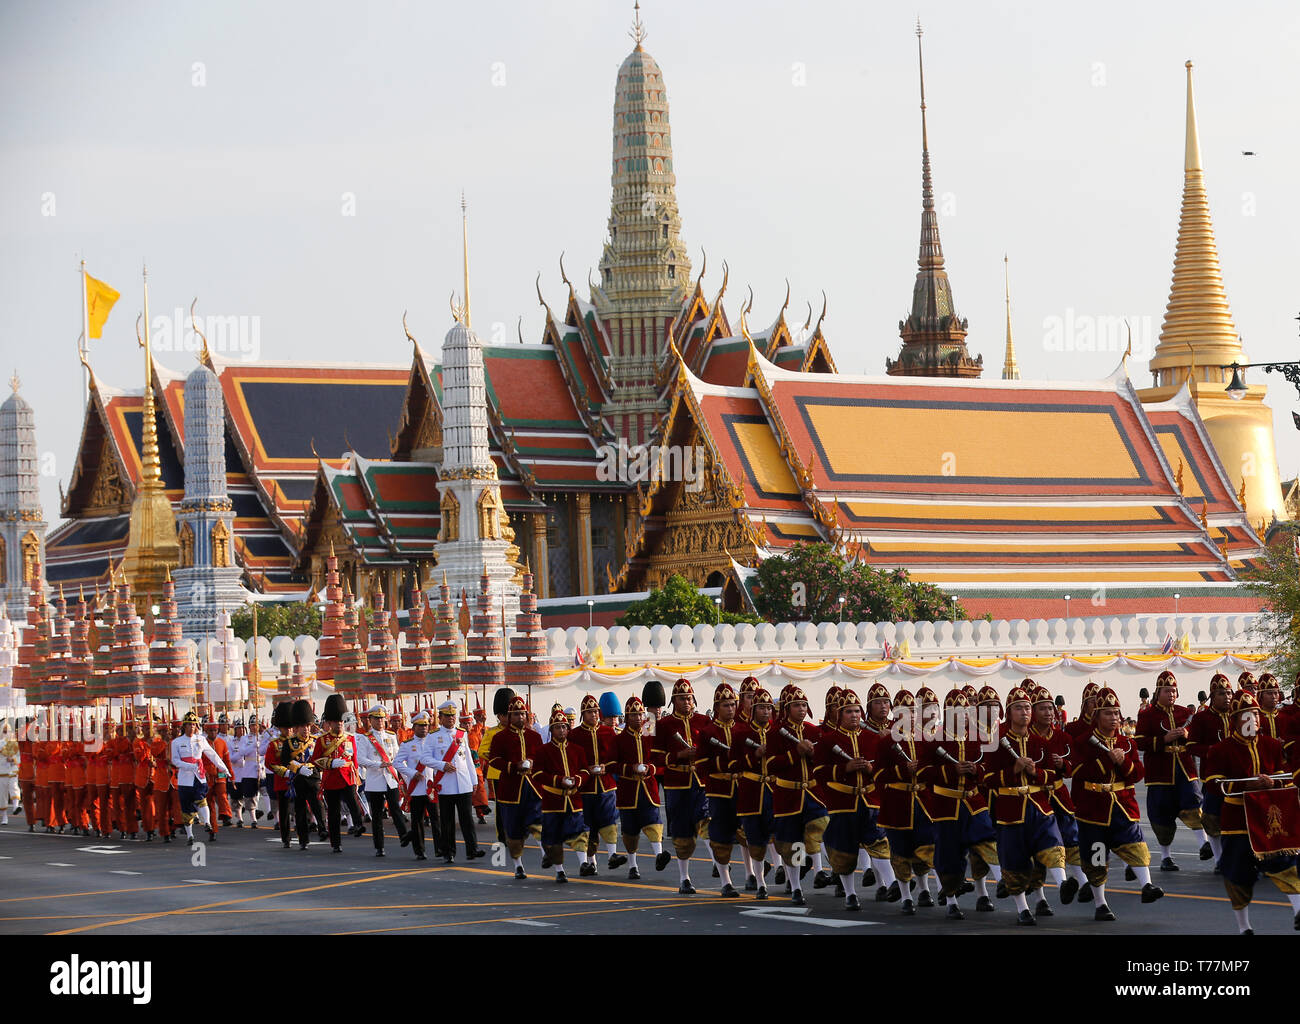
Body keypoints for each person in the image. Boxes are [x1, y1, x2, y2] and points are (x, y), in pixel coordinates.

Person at [1204, 690, 1300, 933]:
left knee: (1285, 862)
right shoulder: (1220, 749)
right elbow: (1213, 783)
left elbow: (1285, 776)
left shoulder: (1271, 745)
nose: (1253, 720)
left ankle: (1299, 910)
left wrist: (1273, 782)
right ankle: (1244, 926)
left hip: (1269, 818)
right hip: (1236, 820)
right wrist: (1244, 785)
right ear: (1235, 720)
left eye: (1255, 715)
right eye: (1246, 715)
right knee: (1238, 874)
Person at [1067, 686, 1165, 921]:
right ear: (1096, 716)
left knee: (1136, 844)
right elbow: (1077, 772)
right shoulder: (1083, 742)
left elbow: (1137, 773)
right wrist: (1106, 762)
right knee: (1097, 858)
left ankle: (1147, 886)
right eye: (1108, 713)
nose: (1114, 718)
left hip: (1122, 805)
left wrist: (1124, 764)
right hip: (1094, 811)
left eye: (1116, 713)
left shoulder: (1126, 742)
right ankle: (1100, 903)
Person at [980, 685, 1068, 925]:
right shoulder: (996, 743)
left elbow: (1052, 775)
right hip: (1010, 809)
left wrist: (1035, 772)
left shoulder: (1041, 742)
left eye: (1027, 707)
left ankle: (1063, 883)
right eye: (1018, 708)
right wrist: (1013, 771)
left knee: (1052, 843)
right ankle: (1023, 909)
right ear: (1009, 713)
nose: (1025, 712)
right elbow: (986, 780)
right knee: (1015, 859)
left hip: (1040, 805)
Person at [919, 688, 999, 919]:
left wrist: (976, 770)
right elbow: (924, 772)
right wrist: (948, 770)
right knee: (949, 855)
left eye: (966, 711)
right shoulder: (935, 741)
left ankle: (1003, 882)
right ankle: (951, 900)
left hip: (974, 801)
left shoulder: (978, 739)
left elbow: (988, 768)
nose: (963, 715)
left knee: (987, 838)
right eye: (958, 711)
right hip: (946, 806)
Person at [817, 688, 891, 911]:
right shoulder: (828, 741)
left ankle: (892, 884)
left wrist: (871, 768)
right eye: (849, 711)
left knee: (880, 844)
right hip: (843, 804)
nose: (854, 715)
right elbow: (819, 772)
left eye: (857, 711)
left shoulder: (872, 738)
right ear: (840, 715)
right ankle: (850, 893)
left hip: (870, 801)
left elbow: (885, 769)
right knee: (844, 850)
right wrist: (844, 768)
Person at [1136, 671, 1209, 869]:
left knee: (1193, 801)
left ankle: (1204, 844)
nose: (1171, 694)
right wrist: (1163, 740)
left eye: (1174, 691)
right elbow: (1140, 742)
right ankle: (1165, 857)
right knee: (1162, 814)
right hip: (1160, 771)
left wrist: (1186, 734)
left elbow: (1195, 739)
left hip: (1184, 767)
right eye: (1167, 691)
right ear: (1158, 692)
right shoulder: (1147, 715)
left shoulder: (1184, 712)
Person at [765, 684, 830, 907]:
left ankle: (820, 869)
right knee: (793, 843)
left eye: (804, 704)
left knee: (820, 823)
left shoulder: (813, 731)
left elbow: (822, 761)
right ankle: (796, 887)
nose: (801, 709)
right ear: (786, 708)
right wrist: (795, 753)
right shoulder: (775, 733)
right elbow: (771, 765)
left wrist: (813, 754)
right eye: (796, 705)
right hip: (788, 795)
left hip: (812, 792)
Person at [874, 690, 935, 914]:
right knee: (901, 852)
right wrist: (901, 771)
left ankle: (925, 889)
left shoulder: (926, 739)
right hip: (897, 804)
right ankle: (906, 896)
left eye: (911, 712)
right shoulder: (886, 742)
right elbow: (878, 775)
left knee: (925, 846)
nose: (908, 716)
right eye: (903, 712)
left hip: (923, 801)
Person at [652, 678, 711, 895]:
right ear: (673, 701)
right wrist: (679, 755)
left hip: (701, 782)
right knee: (682, 835)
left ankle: (719, 863)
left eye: (689, 698)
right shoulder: (663, 725)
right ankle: (684, 877)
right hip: (676, 785)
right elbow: (656, 757)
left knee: (707, 822)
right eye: (681, 698)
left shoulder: (704, 721)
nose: (686, 702)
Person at [1029, 685, 1087, 902]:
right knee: (1041, 845)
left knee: (1072, 840)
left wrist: (1063, 764)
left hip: (1060, 796)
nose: (1048, 713)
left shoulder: (1062, 737)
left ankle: (1083, 883)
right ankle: (1040, 896)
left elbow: (1074, 766)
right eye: (1042, 709)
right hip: (1036, 798)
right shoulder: (1025, 737)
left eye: (1050, 708)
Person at [610, 696, 668, 880]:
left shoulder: (649, 733)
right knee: (630, 831)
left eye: (639, 714)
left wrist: (650, 768)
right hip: (628, 791)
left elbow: (658, 759)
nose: (637, 718)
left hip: (648, 788)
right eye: (633, 715)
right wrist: (630, 769)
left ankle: (659, 854)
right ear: (626, 717)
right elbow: (613, 764)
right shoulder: (619, 739)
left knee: (654, 822)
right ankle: (633, 865)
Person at [487, 695, 545, 878]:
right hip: (511, 789)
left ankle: (546, 855)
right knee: (513, 831)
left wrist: (532, 763)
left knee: (539, 823)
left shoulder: (535, 737)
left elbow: (542, 758)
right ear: (509, 716)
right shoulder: (499, 737)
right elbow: (494, 760)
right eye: (516, 714)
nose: (520, 718)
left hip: (533, 788)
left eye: (523, 714)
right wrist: (514, 766)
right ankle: (518, 865)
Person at [534, 708, 591, 883]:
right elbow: (537, 774)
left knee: (580, 832)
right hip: (553, 801)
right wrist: (559, 780)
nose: (562, 730)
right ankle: (559, 870)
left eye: (564, 727)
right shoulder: (543, 751)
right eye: (558, 727)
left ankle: (584, 864)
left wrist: (578, 780)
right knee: (554, 837)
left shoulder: (577, 749)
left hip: (574, 799)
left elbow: (585, 770)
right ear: (551, 730)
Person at [573, 693, 625, 876]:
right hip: (586, 787)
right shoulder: (575, 735)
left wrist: (606, 766)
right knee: (588, 827)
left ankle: (613, 855)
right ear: (583, 714)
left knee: (609, 821)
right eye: (590, 712)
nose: (594, 715)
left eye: (596, 711)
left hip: (607, 785)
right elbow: (572, 762)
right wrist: (586, 769)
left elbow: (615, 757)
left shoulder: (608, 732)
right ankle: (589, 862)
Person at [700, 683, 744, 897]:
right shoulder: (708, 732)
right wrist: (724, 760)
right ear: (717, 706)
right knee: (721, 837)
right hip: (719, 791)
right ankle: (725, 880)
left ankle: (755, 877)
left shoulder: (742, 729)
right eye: (726, 705)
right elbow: (701, 764)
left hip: (743, 789)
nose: (730, 708)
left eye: (733, 704)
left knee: (753, 832)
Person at [267, 699, 326, 851]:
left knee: (311, 806)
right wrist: (286, 772)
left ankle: (318, 828)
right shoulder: (275, 743)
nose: (288, 731)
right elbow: (271, 763)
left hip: (304, 779)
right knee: (286, 812)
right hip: (284, 781)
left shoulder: (310, 740)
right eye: (285, 728)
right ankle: (287, 838)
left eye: (290, 728)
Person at [430, 700, 485, 863]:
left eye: (453, 715)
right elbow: (425, 758)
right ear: (440, 718)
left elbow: (468, 758)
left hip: (463, 783)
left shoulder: (462, 734)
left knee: (467, 818)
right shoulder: (434, 737)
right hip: (445, 784)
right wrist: (441, 765)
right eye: (447, 716)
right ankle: (448, 852)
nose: (450, 718)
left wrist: (473, 780)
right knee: (447, 821)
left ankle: (472, 849)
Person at [1188, 674, 1234, 865]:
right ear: (1212, 696)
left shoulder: (1238, 715)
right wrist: (1213, 751)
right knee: (1213, 819)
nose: (1227, 697)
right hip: (1212, 778)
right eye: (1222, 693)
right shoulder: (1201, 718)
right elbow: (1191, 745)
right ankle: (1219, 859)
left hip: (1237, 778)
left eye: (1229, 693)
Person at [170, 710, 231, 845]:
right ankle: (190, 835)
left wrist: (224, 768)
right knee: (186, 809)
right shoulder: (176, 742)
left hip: (199, 776)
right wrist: (188, 766)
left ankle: (207, 823)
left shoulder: (201, 739)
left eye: (194, 725)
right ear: (184, 726)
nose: (192, 727)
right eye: (189, 724)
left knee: (201, 799)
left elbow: (212, 755)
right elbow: (175, 760)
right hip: (185, 779)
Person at [355, 705, 409, 857]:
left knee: (395, 809)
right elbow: (360, 759)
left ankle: (403, 835)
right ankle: (379, 846)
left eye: (382, 718)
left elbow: (399, 758)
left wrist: (406, 777)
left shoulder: (391, 736)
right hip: (375, 781)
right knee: (377, 815)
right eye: (376, 718)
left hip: (391, 779)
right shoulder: (365, 738)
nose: (380, 721)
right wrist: (378, 764)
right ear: (370, 720)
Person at [313, 694, 364, 853]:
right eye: (336, 722)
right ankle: (336, 843)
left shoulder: (349, 738)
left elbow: (354, 759)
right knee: (334, 813)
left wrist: (357, 778)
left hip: (347, 776)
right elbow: (315, 760)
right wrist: (330, 763)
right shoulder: (322, 740)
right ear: (329, 723)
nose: (340, 724)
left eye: (341, 722)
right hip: (331, 779)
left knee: (353, 802)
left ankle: (358, 825)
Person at [394, 710, 440, 861]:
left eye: (426, 725)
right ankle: (420, 851)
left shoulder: (433, 742)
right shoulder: (407, 745)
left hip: (432, 787)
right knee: (417, 821)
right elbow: (397, 763)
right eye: (420, 726)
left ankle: (440, 848)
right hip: (416, 788)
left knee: (436, 819)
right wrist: (412, 773)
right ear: (414, 727)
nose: (424, 728)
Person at [479, 687, 515, 845]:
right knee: (502, 807)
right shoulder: (492, 732)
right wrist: (498, 758)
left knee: (517, 804)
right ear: (499, 715)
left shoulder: (519, 731)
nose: (509, 717)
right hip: (498, 773)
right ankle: (503, 836)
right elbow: (482, 751)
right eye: (506, 715)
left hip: (516, 773)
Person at [148, 719, 175, 842]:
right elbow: (155, 752)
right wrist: (165, 742)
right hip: (160, 778)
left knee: (175, 807)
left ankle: (174, 827)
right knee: (162, 808)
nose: (165, 733)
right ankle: (165, 833)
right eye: (162, 731)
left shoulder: (175, 742)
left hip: (174, 778)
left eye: (166, 730)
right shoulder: (157, 742)